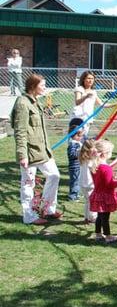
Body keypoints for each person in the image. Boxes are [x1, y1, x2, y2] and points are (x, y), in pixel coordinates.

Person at [11, 74, 62, 225]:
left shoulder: (35, 102)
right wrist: (22, 155)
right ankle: (29, 216)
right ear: (33, 86)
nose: (45, 88)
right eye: (42, 85)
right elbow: (20, 131)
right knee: (28, 183)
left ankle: (47, 209)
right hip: (29, 152)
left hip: (42, 150)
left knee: (54, 175)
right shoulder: (23, 103)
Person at [88, 139, 117, 243]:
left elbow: (101, 181)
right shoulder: (106, 168)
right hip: (105, 196)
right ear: (105, 154)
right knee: (105, 217)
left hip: (97, 194)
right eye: (111, 152)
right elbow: (109, 184)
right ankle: (108, 236)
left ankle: (98, 234)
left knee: (100, 216)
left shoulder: (95, 166)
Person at [72, 71, 114, 135]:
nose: (90, 80)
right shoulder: (79, 89)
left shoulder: (93, 92)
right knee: (76, 138)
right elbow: (77, 102)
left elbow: (102, 104)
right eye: (88, 78)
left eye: (92, 79)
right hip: (78, 118)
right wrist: (86, 96)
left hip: (87, 118)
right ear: (83, 79)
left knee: (83, 138)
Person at [79, 139, 97, 224]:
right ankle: (92, 217)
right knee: (92, 201)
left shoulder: (82, 157)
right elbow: (93, 170)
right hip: (90, 184)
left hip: (83, 183)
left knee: (87, 201)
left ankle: (86, 217)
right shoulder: (91, 161)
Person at [66, 119, 85, 201]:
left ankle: (76, 194)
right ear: (75, 136)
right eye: (80, 136)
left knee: (78, 180)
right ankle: (72, 196)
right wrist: (80, 153)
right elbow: (72, 154)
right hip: (74, 167)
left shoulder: (77, 143)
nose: (81, 138)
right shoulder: (73, 144)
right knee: (75, 181)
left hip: (79, 165)